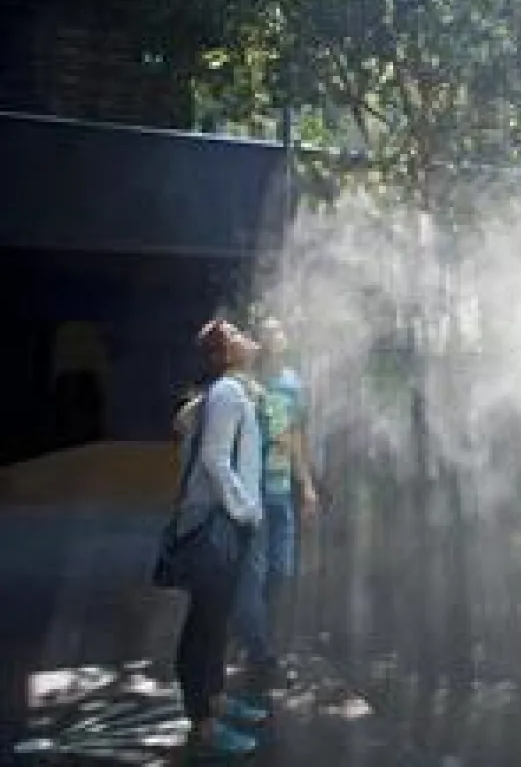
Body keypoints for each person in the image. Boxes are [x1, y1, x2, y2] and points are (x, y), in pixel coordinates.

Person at [171, 319, 270, 758]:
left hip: (215, 520)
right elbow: (214, 458)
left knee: (214, 619)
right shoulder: (228, 393)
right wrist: (244, 509)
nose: (247, 337)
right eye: (236, 334)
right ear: (226, 352)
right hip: (222, 523)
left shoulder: (223, 393)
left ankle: (212, 701)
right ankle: (204, 722)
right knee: (207, 623)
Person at [232, 316, 318, 693]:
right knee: (255, 572)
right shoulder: (247, 383)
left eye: (279, 330)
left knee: (280, 571)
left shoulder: (292, 383)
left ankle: (254, 636)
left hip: (283, 490)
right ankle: (261, 655)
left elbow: (296, 433)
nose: (274, 337)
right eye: (267, 333)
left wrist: (307, 483)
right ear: (259, 342)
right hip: (253, 490)